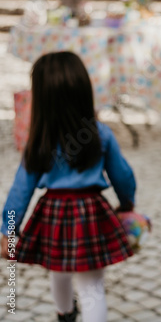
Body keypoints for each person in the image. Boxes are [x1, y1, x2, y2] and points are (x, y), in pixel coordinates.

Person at [0, 52, 135, 322]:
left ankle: (65, 314)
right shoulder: (100, 133)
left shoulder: (38, 141)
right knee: (92, 285)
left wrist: (7, 229)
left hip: (52, 214)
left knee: (58, 271)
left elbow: (20, 191)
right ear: (83, 91)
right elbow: (123, 176)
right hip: (91, 213)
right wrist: (127, 202)